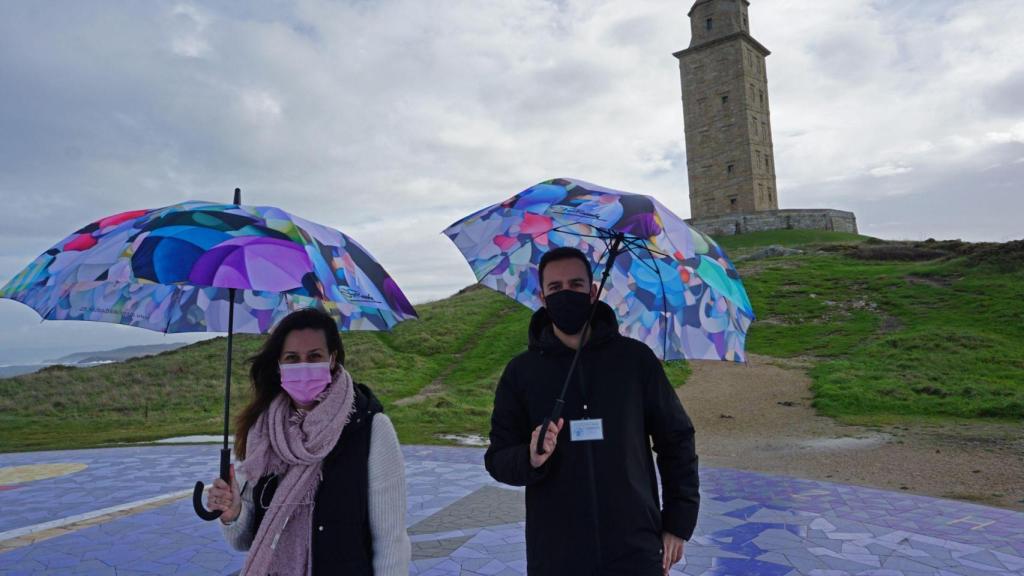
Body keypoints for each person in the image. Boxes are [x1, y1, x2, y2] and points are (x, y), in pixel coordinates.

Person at [484, 246, 700, 576]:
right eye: (555, 288)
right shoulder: (521, 373)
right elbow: (498, 459)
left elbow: (677, 440)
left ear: (593, 292)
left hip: (635, 547)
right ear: (543, 297)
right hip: (556, 553)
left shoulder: (635, 360)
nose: (566, 293)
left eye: (576, 285)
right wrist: (530, 458)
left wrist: (678, 522)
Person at [207, 308, 410, 576]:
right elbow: (245, 540)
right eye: (292, 358)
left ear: (332, 359)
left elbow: (391, 542)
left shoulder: (371, 429)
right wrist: (233, 513)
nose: (303, 366)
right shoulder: (264, 432)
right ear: (279, 365)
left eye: (314, 356)